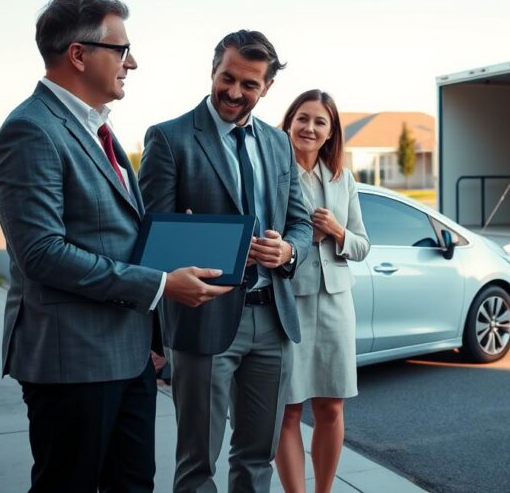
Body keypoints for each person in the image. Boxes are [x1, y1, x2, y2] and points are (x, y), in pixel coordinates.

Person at [0, 0, 232, 493]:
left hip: (129, 352)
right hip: (72, 360)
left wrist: (170, 243)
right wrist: (160, 284)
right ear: (79, 55)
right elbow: (42, 254)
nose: (131, 62)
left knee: (134, 483)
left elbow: (111, 228)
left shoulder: (98, 126)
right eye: (122, 50)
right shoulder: (31, 131)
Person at [138, 30, 313, 493]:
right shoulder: (169, 138)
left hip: (272, 318)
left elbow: (300, 223)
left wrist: (289, 249)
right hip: (203, 320)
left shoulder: (278, 144)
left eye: (249, 84)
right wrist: (186, 238)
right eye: (227, 78)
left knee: (258, 457)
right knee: (198, 464)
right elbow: (150, 239)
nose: (235, 92)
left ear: (267, 88)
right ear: (213, 71)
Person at [275, 89, 369, 493]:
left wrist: (336, 231)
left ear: (331, 133)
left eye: (320, 122)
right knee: (289, 410)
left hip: (335, 303)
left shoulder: (343, 178)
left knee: (331, 405)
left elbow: (362, 245)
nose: (309, 128)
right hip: (288, 301)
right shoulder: (272, 171)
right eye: (303, 118)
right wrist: (299, 239)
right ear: (290, 122)